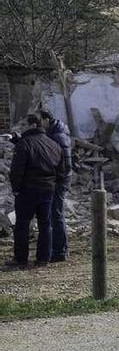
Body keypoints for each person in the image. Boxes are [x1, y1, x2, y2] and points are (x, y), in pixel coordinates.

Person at [4, 114, 64, 269]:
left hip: (27, 190)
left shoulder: (24, 144)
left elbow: (17, 170)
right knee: (45, 225)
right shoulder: (54, 144)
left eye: (24, 124)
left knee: (22, 225)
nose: (22, 128)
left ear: (32, 125)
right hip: (48, 190)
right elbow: (61, 170)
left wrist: (16, 189)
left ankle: (21, 259)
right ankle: (43, 259)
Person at [40, 110, 72, 262]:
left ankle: (60, 252)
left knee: (56, 215)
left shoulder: (57, 136)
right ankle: (59, 249)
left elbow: (65, 163)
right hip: (58, 180)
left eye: (40, 121)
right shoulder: (54, 132)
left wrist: (56, 180)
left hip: (58, 182)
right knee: (55, 214)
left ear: (46, 120)